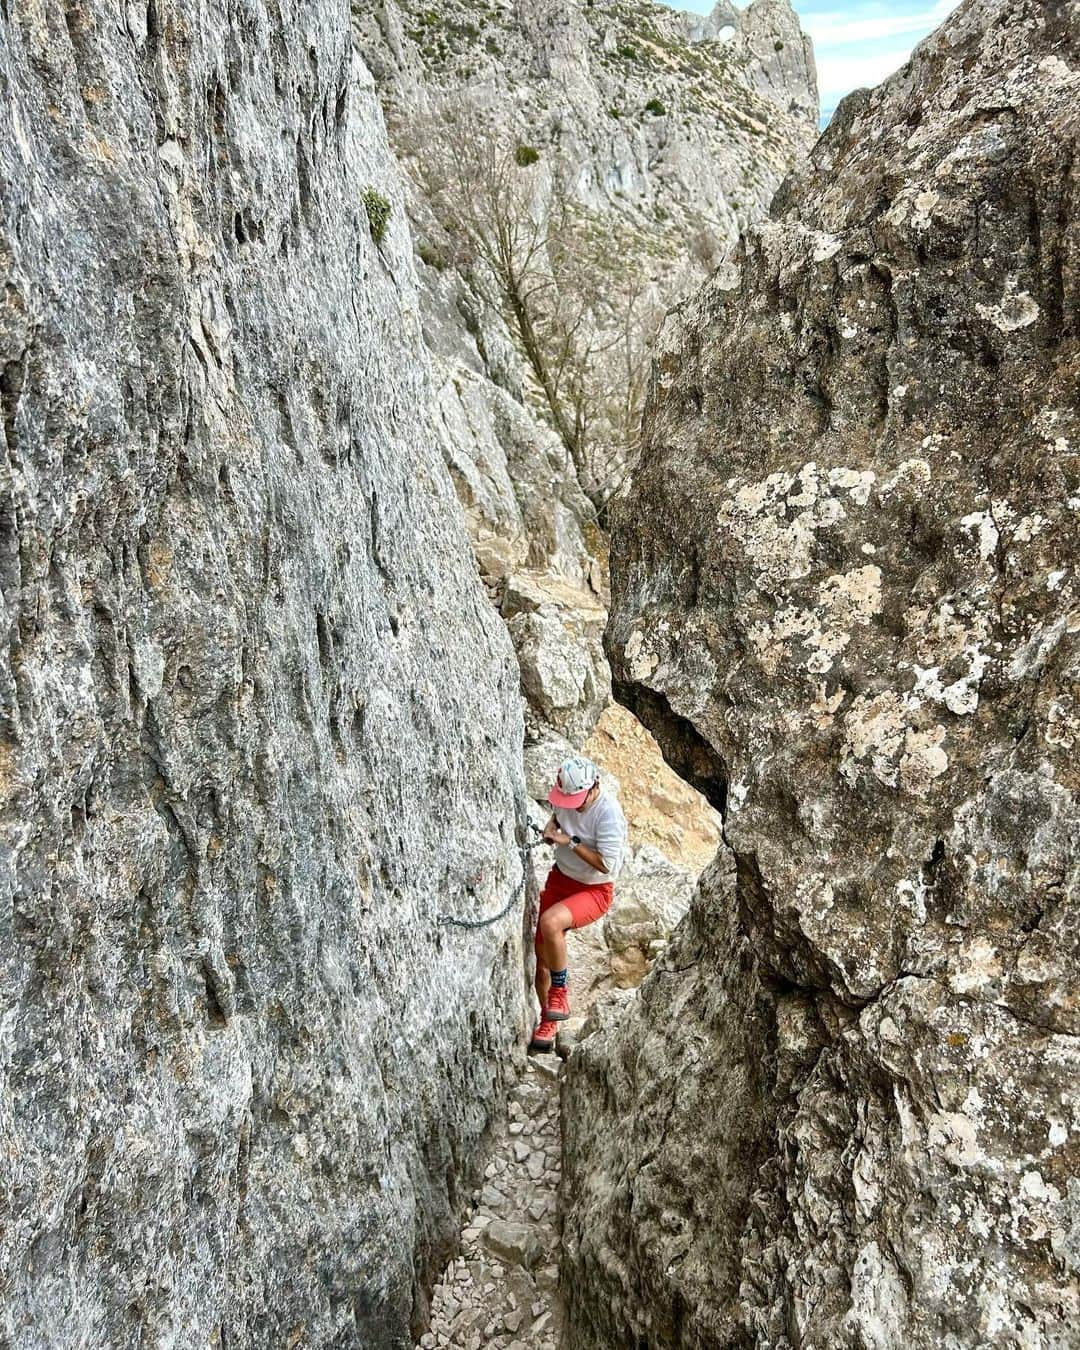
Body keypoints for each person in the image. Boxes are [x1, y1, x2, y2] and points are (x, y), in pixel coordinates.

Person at [530, 754, 628, 1052]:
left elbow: (606, 866)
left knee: (551, 922)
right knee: (541, 960)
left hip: (593, 890)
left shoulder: (608, 813)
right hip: (561, 879)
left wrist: (569, 841)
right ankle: (549, 1021)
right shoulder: (565, 795)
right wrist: (551, 831)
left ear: (593, 788)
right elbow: (558, 817)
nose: (569, 802)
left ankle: (561, 991)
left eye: (575, 799)